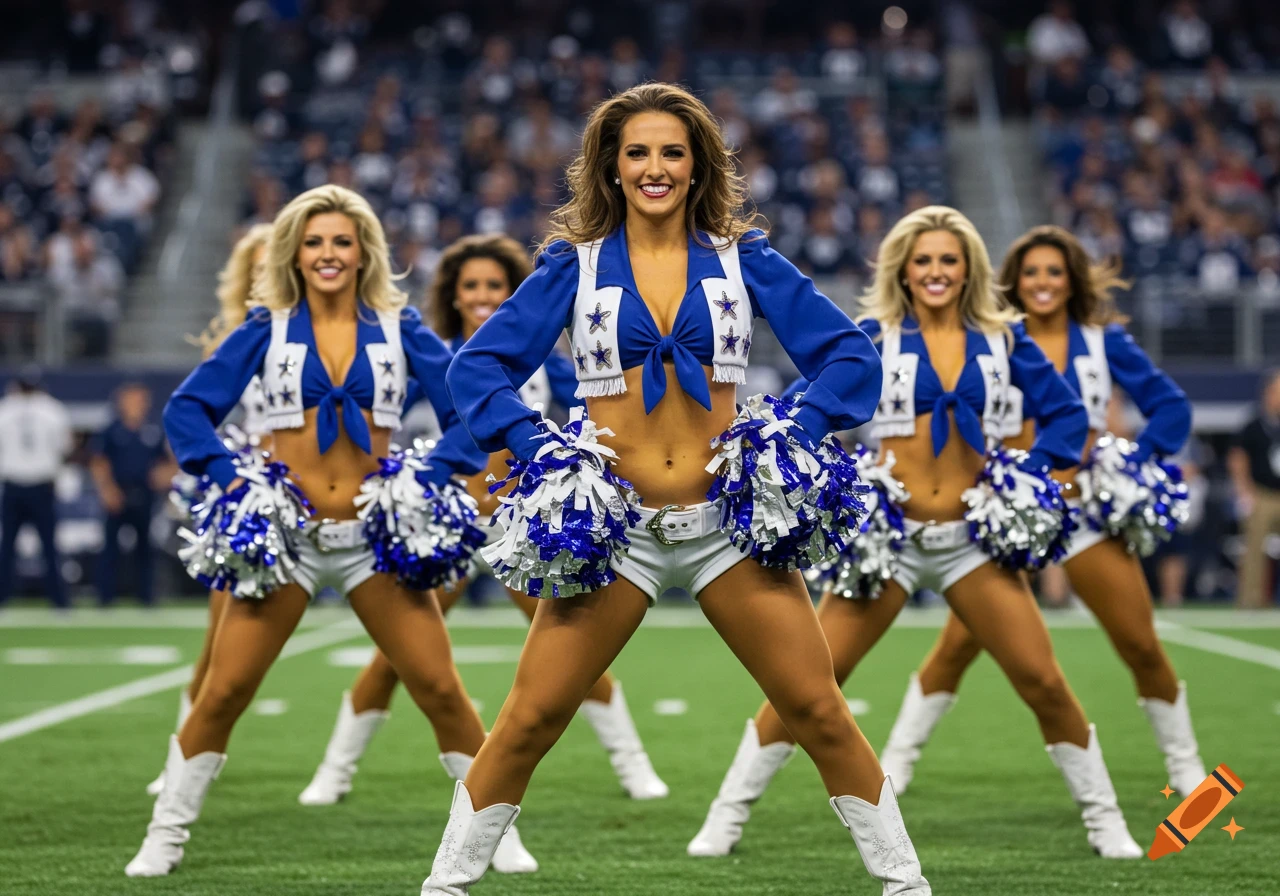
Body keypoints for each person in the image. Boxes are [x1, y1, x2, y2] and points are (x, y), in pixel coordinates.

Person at [421, 82, 931, 895]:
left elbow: (851, 357)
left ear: (698, 167)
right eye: (637, 153)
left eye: (672, 152)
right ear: (611, 167)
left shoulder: (743, 259)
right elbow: (477, 366)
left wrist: (794, 429)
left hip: (727, 526)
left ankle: (908, 886)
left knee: (819, 711)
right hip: (612, 531)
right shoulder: (573, 266)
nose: (654, 168)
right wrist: (537, 446)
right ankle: (443, 887)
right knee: (528, 720)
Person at [688, 207, 1144, 863]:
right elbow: (806, 408)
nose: (935, 272)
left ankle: (1106, 822)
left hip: (972, 542)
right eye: (922, 260)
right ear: (902, 270)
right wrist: (817, 465)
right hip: (888, 540)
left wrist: (1024, 474)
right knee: (809, 683)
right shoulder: (871, 338)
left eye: (948, 260)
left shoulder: (1004, 338)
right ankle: (726, 816)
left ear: (969, 269)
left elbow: (1068, 416)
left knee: (1043, 681)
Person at [125, 185, 537, 878]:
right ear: (294, 252)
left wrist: (433, 472)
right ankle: (165, 835)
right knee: (224, 691)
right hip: (287, 538)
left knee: (440, 689)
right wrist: (230, 477)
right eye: (314, 242)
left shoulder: (401, 328)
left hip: (375, 542)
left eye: (342, 241)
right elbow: (187, 409)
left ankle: (491, 836)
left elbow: (471, 407)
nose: (328, 254)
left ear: (363, 252)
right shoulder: (267, 328)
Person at [299, 233, 668, 806]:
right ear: (453, 294)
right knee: (398, 657)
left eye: (495, 285)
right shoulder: (438, 355)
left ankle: (634, 765)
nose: (481, 295)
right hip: (446, 527)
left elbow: (599, 411)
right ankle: (334, 771)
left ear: (513, 292)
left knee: (577, 652)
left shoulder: (543, 362)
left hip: (520, 530)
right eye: (470, 285)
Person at [874, 225, 1207, 806]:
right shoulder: (994, 336)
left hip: (1080, 515)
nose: (1043, 283)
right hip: (1003, 517)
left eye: (1055, 272)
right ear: (1011, 281)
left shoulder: (1103, 341)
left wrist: (1131, 461)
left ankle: (1186, 766)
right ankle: (897, 761)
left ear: (1073, 280)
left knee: (1140, 643)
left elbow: (1171, 407)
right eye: (1030, 272)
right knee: (957, 648)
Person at [142, 223, 274, 796]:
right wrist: (233, 471)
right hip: (256, 500)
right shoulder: (238, 339)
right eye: (260, 266)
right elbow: (200, 417)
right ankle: (181, 761)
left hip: (328, 498)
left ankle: (338, 766)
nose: (270, 274)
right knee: (219, 644)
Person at [90, 382, 171, 606]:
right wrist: (107, 490)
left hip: (144, 494)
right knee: (110, 548)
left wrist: (163, 476)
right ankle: (105, 597)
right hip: (118, 493)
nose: (139, 404)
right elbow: (99, 461)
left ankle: (146, 597)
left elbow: (166, 461)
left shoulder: (153, 430)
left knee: (145, 547)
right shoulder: (111, 430)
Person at [0, 367, 72, 609]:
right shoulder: (52, 409)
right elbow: (64, 448)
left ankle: (3, 598)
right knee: (49, 547)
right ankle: (59, 602)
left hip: (13, 485)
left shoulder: (5, 408)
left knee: (8, 546)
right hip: (41, 485)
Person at [1228, 368, 1280, 608]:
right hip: (1262, 493)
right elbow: (1238, 458)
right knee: (1254, 548)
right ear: (1268, 392)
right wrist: (1244, 492)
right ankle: (1251, 599)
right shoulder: (1253, 425)